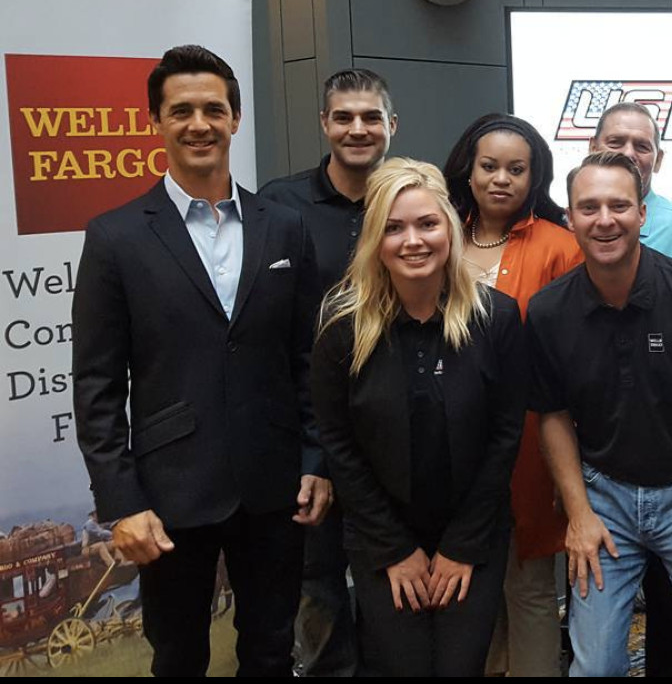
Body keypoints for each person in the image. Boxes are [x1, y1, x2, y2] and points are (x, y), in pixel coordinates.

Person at [71, 45, 327, 677]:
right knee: (179, 656)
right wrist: (120, 502)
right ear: (156, 122)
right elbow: (97, 385)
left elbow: (308, 359)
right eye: (180, 110)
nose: (199, 124)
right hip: (170, 495)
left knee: (270, 650)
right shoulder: (116, 237)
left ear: (235, 119)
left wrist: (317, 461)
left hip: (275, 488)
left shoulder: (285, 227)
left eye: (214, 109)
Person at [528, 152, 672, 677]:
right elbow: (553, 417)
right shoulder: (548, 311)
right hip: (603, 498)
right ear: (569, 218)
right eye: (589, 207)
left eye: (619, 205)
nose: (605, 219)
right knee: (596, 666)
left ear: (643, 214)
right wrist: (579, 514)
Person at [309, 158, 526, 677]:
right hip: (382, 540)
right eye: (394, 227)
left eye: (428, 224)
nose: (413, 241)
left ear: (449, 229)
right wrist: (395, 549)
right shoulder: (341, 328)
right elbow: (339, 446)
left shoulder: (496, 318)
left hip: (472, 537)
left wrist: (461, 547)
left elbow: (505, 437)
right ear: (374, 241)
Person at [259, 66, 397, 678]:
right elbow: (271, 330)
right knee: (317, 588)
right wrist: (312, 453)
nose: (357, 129)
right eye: (344, 117)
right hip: (308, 436)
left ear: (393, 124)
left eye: (371, 117)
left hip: (396, 432)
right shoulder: (279, 205)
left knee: (393, 583)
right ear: (324, 124)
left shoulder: (414, 199)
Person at [442, 113, 581, 677]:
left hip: (528, 446)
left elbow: (572, 359)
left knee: (528, 590)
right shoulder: (438, 233)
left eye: (516, 169)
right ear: (468, 172)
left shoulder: (559, 246)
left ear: (535, 177)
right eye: (490, 166)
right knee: (465, 588)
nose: (502, 179)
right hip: (447, 447)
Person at [590, 102, 672, 277]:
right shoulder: (568, 225)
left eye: (642, 147)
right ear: (593, 148)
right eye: (615, 142)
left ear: (658, 160)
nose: (627, 154)